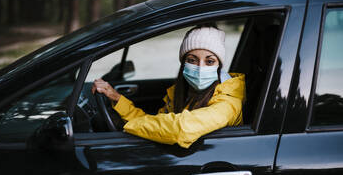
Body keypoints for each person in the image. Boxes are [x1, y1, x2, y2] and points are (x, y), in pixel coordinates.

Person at [92, 25, 245, 148]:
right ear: (183, 63)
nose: (200, 67)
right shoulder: (184, 92)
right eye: (192, 60)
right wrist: (117, 99)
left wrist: (126, 126)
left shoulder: (229, 103)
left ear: (219, 65)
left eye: (209, 61)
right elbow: (156, 123)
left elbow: (180, 129)